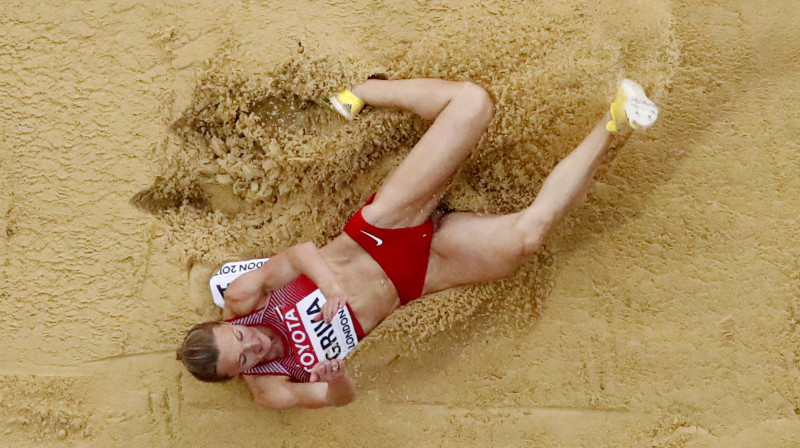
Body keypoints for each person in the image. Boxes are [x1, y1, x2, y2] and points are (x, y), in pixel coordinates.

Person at [176, 77, 659, 409]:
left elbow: (299, 253)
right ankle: (615, 121)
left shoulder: (243, 300)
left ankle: (366, 89)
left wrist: (328, 284)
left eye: (241, 338)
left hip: (377, 234)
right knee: (526, 238)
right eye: (245, 358)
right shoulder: (270, 387)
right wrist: (333, 378)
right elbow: (338, 401)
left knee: (473, 104)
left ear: (227, 324)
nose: (255, 345)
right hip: (415, 278)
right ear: (238, 375)